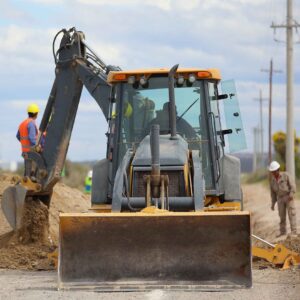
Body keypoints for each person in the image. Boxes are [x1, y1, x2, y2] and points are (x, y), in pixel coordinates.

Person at [269, 161, 297, 237]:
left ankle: (294, 231)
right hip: (280, 199)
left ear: (278, 170)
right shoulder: (272, 181)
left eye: (274, 171)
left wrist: (291, 194)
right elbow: (273, 194)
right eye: (272, 172)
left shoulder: (286, 175)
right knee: (282, 216)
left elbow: (293, 185)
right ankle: (283, 232)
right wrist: (273, 203)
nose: (274, 173)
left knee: (292, 214)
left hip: (288, 197)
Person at [16, 103, 40, 176]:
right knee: (31, 175)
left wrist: (25, 144)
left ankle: (24, 185)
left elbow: (18, 136)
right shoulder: (31, 124)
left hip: (25, 152)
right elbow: (32, 139)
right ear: (36, 113)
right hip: (31, 152)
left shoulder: (23, 123)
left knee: (27, 173)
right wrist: (38, 147)